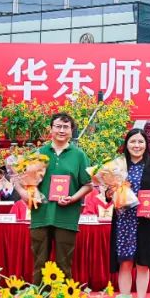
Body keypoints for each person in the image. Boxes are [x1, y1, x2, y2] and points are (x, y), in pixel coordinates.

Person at [30, 113, 93, 285]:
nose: (62, 130)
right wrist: (32, 192)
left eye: (66, 127)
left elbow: (88, 185)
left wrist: (73, 198)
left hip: (66, 216)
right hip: (41, 215)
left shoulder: (79, 155)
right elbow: (27, 182)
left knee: (64, 264)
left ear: (71, 131)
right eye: (58, 126)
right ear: (50, 129)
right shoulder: (39, 153)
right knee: (39, 263)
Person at [110, 128, 150, 298]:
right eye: (133, 141)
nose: (137, 145)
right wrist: (110, 192)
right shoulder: (118, 165)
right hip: (123, 221)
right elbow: (108, 192)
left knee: (143, 263)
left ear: (146, 144)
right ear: (126, 144)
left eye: (140, 142)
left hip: (145, 220)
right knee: (125, 263)